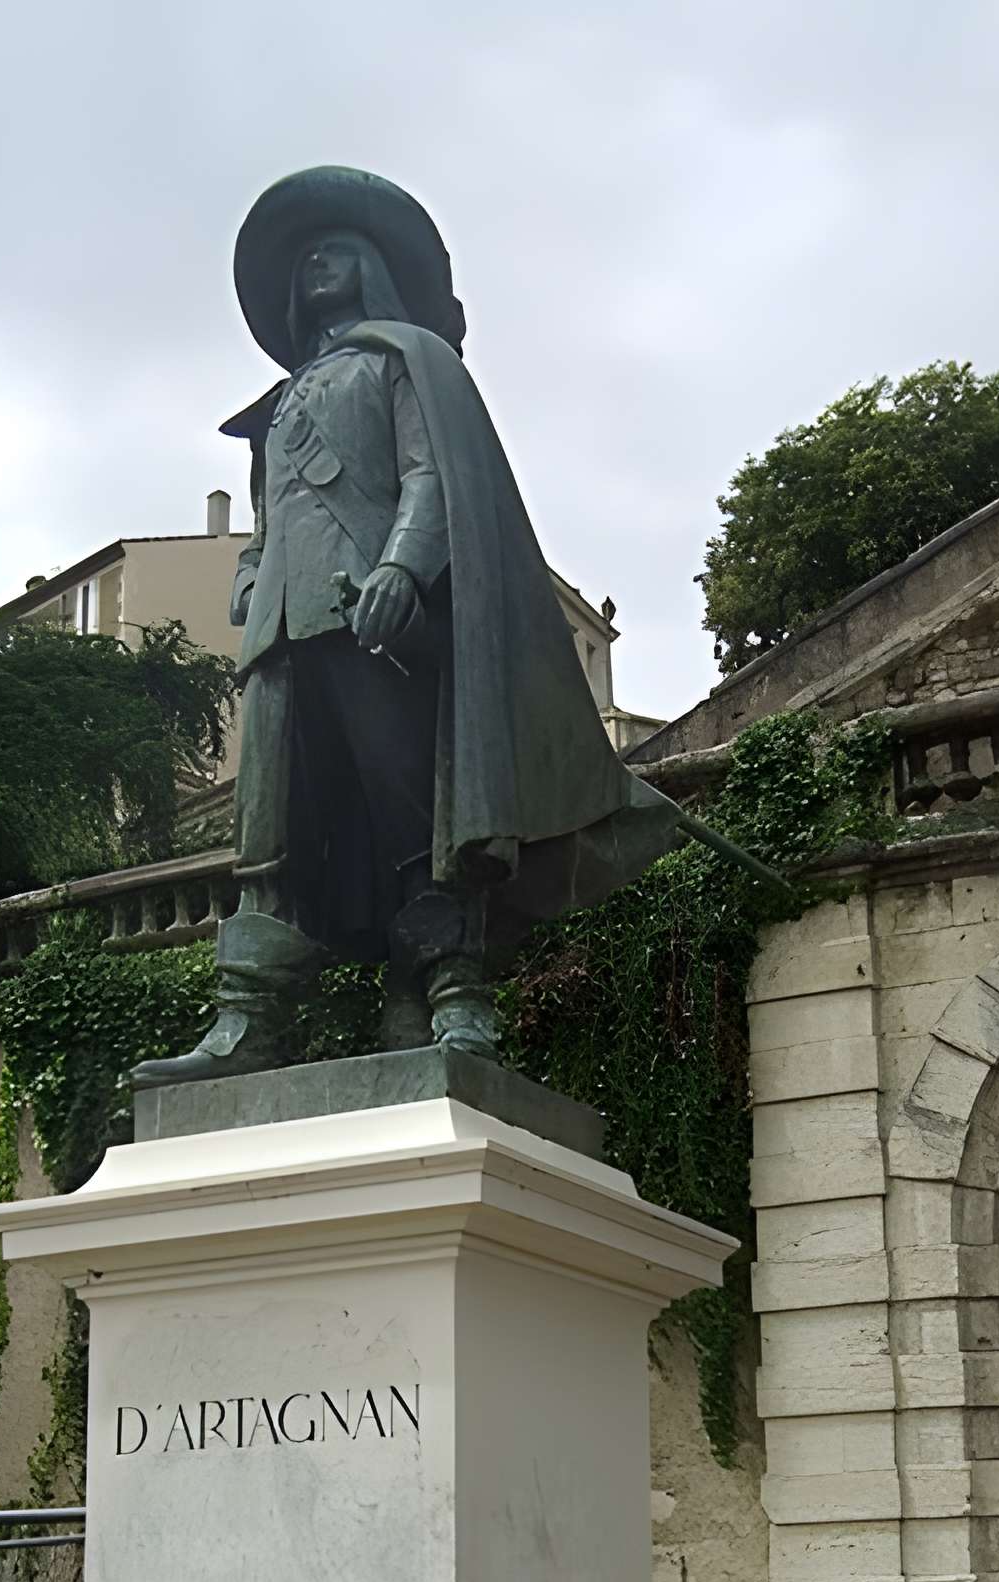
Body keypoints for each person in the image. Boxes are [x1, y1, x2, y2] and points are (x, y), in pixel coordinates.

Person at [131, 166, 683, 1088]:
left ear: (373, 266)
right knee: (267, 830)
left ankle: (452, 994)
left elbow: (432, 480)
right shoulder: (278, 409)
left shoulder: (403, 362)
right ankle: (247, 1021)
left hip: (371, 617)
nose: (314, 263)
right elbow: (269, 522)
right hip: (279, 632)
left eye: (335, 248)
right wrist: (249, 575)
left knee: (411, 814)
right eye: (305, 255)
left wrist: (399, 565)